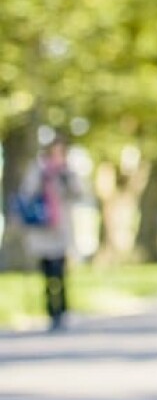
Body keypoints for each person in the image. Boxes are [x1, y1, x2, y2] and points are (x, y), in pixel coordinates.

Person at [15, 139, 82, 331]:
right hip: (42, 228)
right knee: (47, 272)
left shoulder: (67, 171)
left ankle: (63, 310)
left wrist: (65, 179)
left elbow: (78, 193)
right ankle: (51, 311)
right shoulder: (38, 169)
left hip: (60, 228)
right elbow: (27, 192)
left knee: (60, 271)